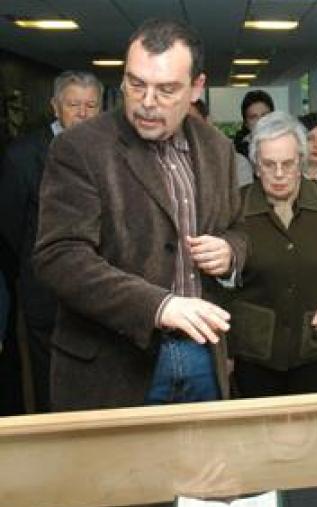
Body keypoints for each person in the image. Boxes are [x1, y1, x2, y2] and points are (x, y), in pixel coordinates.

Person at [32, 19, 247, 410]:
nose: (147, 101)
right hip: (113, 365)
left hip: (204, 356)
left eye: (166, 90)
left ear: (197, 88)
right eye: (135, 84)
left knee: (200, 470)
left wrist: (230, 251)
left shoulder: (218, 148)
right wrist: (159, 306)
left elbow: (239, 227)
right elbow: (59, 257)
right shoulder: (80, 148)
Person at [227, 111, 317, 397]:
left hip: (313, 346)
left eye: (288, 164)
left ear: (301, 162)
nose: (278, 174)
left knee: (312, 434)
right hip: (255, 351)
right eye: (269, 164)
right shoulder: (236, 206)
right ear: (255, 165)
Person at [0, 70, 103, 412]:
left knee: (99, 382)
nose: (84, 113)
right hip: (46, 295)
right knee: (51, 386)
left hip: (99, 295)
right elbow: (11, 229)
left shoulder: (110, 153)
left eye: (91, 105)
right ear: (55, 107)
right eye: (74, 104)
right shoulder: (22, 156)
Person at [233, 89, 274, 158]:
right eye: (253, 117)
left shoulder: (288, 143)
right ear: (246, 123)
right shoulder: (235, 152)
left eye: (265, 115)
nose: (260, 121)